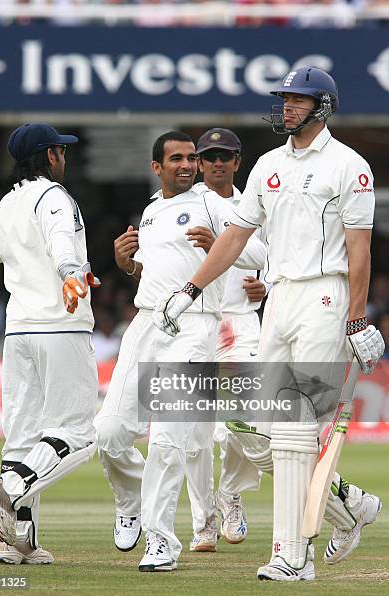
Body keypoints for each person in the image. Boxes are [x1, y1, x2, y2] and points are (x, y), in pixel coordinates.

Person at [153, 68, 385, 581]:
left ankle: (293, 557)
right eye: (283, 100)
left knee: (295, 429)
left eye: (297, 101)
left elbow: (359, 247)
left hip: (327, 296)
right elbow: (235, 237)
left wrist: (357, 317)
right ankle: (337, 517)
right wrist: (189, 289)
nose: (286, 108)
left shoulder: (350, 166)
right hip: (278, 300)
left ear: (322, 106)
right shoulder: (268, 164)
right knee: (265, 429)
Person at [94, 130, 265, 572]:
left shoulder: (213, 202)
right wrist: (126, 265)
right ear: (157, 167)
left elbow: (258, 247)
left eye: (192, 158)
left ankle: (161, 540)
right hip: (147, 320)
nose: (188, 165)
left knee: (168, 436)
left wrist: (221, 248)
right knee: (110, 431)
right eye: (177, 159)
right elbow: (154, 274)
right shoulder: (151, 211)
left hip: (195, 324)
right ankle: (131, 498)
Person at [0, 123, 100, 565]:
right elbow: (61, 240)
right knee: (80, 433)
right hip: (60, 324)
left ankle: (13, 544)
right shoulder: (54, 197)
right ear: (50, 156)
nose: (66, 157)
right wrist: (69, 273)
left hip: (19, 328)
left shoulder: (8, 203)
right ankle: (6, 491)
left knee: (23, 436)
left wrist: (23, 255)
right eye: (60, 151)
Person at [187, 128, 267, 552]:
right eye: (210, 156)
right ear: (199, 162)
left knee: (243, 419)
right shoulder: (183, 205)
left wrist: (266, 286)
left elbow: (276, 256)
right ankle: (203, 523)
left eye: (226, 157)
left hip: (239, 322)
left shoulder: (253, 204)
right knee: (195, 430)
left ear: (238, 162)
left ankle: (231, 494)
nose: (218, 163)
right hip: (195, 324)